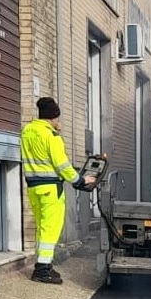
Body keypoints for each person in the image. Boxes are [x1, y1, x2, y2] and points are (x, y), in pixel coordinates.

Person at [20, 97, 95, 285]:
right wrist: (81, 179)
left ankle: (44, 264)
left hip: (33, 187)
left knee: (41, 227)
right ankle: (42, 270)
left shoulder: (27, 131)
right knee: (50, 229)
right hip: (51, 188)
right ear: (53, 117)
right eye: (57, 119)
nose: (58, 122)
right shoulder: (52, 137)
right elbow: (62, 166)